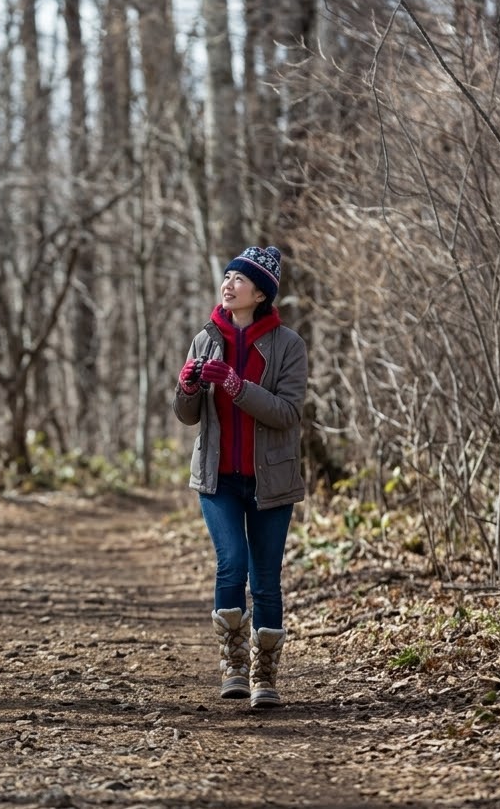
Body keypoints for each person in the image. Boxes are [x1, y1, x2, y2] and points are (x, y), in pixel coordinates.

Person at [171, 245, 308, 708]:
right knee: (232, 562)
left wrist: (236, 386)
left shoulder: (289, 345)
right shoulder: (204, 338)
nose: (228, 284)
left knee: (266, 577)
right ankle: (233, 663)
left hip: (272, 481)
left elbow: (287, 413)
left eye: (238, 279)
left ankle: (265, 676)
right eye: (227, 276)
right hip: (217, 478)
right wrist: (188, 387)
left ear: (261, 293)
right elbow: (188, 416)